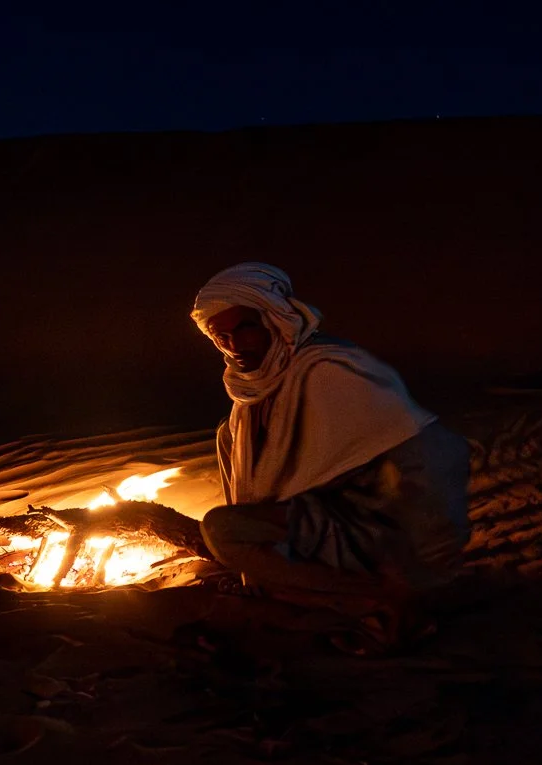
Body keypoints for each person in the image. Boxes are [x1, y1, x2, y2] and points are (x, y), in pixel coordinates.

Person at [191, 263, 470, 644]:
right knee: (227, 501)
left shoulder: (329, 368)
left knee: (225, 534)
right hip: (318, 525)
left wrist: (418, 555)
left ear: (276, 319)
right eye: (221, 336)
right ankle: (337, 598)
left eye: (245, 328)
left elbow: (430, 460)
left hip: (375, 532)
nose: (234, 346)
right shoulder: (245, 406)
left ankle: (379, 599)